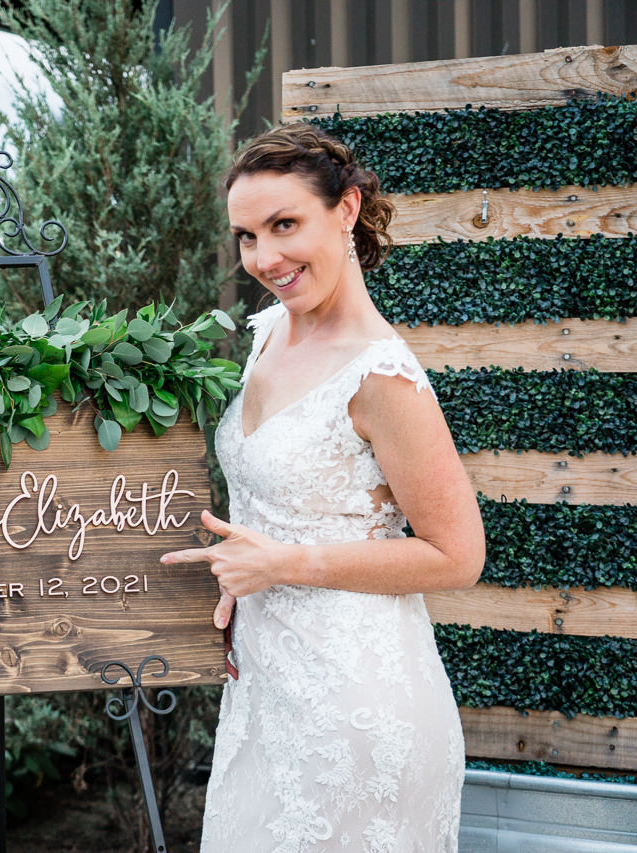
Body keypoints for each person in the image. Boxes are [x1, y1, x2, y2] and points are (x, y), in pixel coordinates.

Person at [161, 123, 485, 852]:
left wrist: (285, 564)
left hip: (359, 712)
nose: (264, 257)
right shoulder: (269, 333)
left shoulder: (382, 377)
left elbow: (459, 555)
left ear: (345, 209)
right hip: (267, 698)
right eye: (246, 236)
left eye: (284, 225)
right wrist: (240, 579)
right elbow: (273, 504)